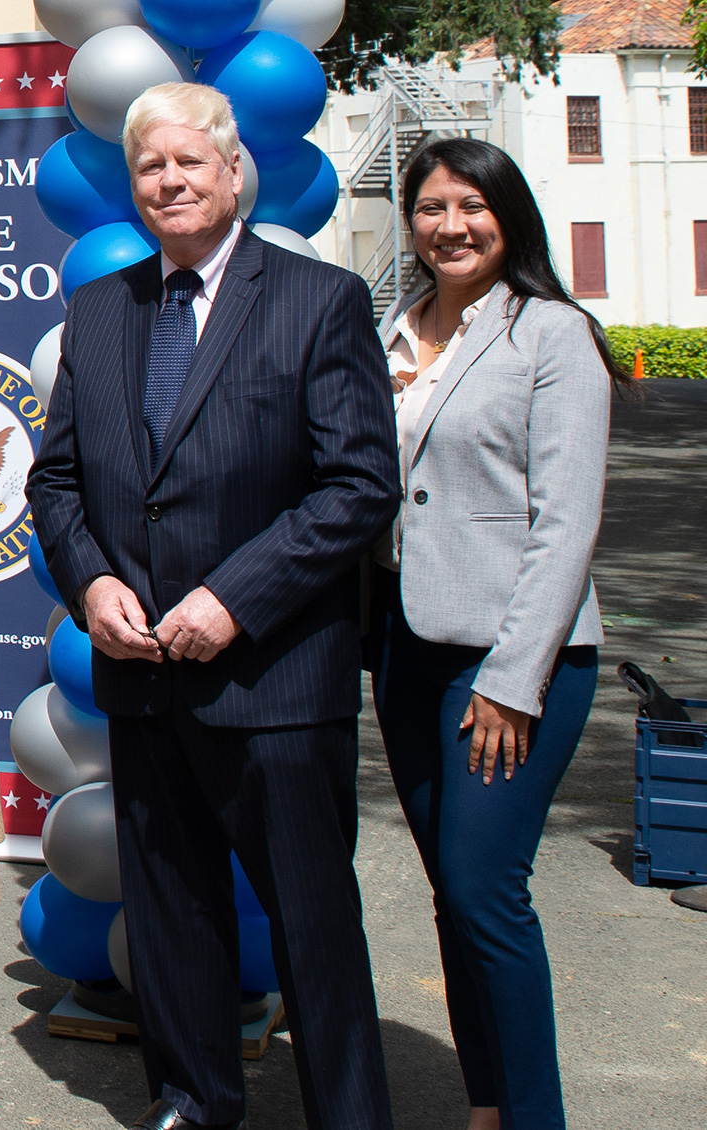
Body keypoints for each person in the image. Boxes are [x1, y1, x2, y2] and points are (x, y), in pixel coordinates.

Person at [24, 82, 400, 1130]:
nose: (169, 181)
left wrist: (231, 600)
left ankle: (348, 1111)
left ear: (233, 173)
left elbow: (356, 483)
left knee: (311, 926)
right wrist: (91, 580)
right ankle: (192, 1099)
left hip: (271, 681)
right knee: (171, 913)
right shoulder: (99, 312)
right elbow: (53, 483)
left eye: (189, 162)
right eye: (149, 166)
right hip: (141, 684)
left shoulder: (315, 300)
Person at [371, 136, 623, 1130]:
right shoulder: (393, 328)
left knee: (485, 891)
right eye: (429, 208)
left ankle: (532, 1113)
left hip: (514, 659)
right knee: (449, 892)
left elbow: (565, 522)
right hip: (404, 645)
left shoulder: (549, 332)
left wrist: (512, 677)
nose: (448, 225)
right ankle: (484, 1100)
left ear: (506, 214)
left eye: (469, 205)